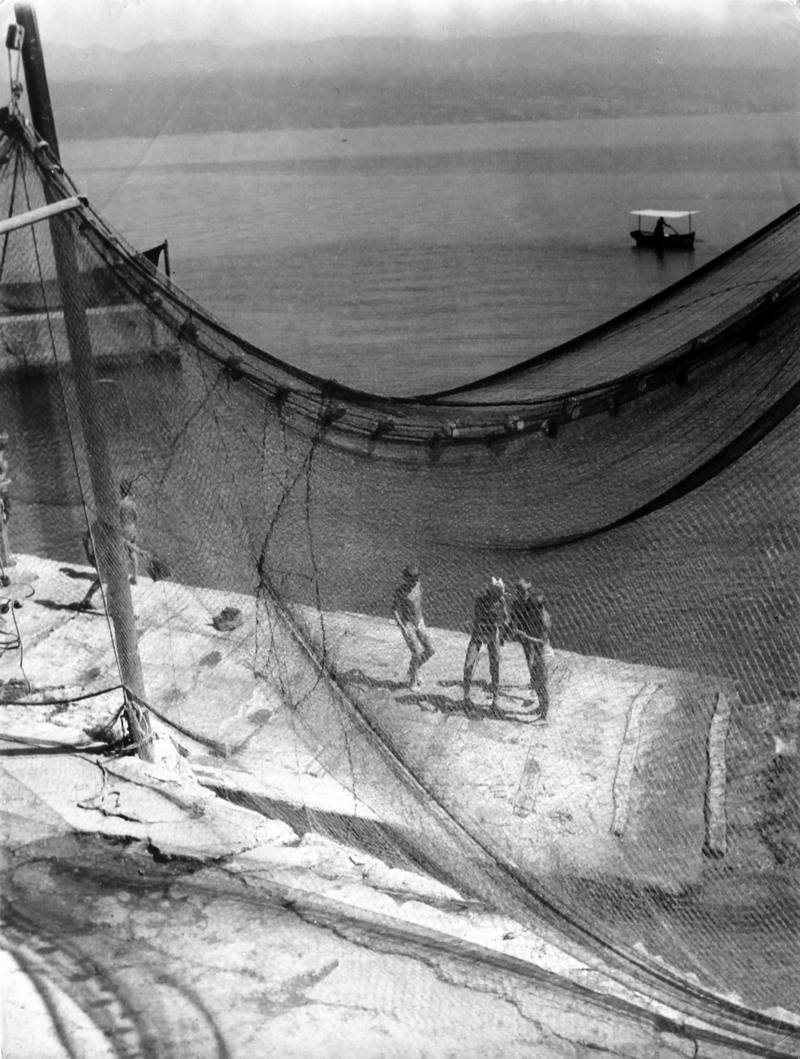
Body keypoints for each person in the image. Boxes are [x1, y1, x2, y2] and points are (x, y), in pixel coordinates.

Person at [79, 480, 140, 610]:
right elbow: (135, 518)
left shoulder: (99, 524)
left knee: (105, 579)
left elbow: (86, 537)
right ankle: (112, 606)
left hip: (105, 555)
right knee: (111, 578)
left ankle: (90, 600)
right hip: (110, 553)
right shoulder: (130, 505)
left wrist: (88, 554)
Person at [463, 576, 509, 713]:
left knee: (495, 665)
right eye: (499, 593)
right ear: (492, 591)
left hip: (492, 634)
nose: (501, 595)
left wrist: (503, 631)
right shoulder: (481, 600)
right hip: (479, 633)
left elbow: (505, 617)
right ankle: (466, 697)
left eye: (501, 593)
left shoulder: (501, 601)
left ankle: (495, 698)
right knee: (468, 664)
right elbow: (477, 618)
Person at [508, 581, 552, 721]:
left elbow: (542, 641)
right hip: (536, 651)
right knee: (538, 682)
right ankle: (541, 708)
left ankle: (544, 715)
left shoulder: (544, 619)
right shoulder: (537, 615)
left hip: (542, 652)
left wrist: (524, 636)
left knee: (542, 684)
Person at [392, 563, 435, 689]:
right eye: (412, 579)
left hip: (419, 622)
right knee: (416, 653)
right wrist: (402, 627)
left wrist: (421, 621)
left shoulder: (418, 585)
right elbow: (394, 610)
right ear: (406, 578)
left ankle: (413, 670)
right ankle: (412, 681)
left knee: (430, 650)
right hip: (408, 625)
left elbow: (418, 604)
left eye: (416, 578)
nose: (415, 581)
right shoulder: (400, 591)